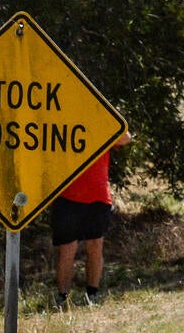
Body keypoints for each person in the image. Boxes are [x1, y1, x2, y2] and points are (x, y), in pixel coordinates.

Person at [53, 131, 132, 308]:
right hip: (67, 195)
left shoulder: (100, 120)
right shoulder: (67, 119)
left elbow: (126, 138)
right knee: (67, 248)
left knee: (95, 246)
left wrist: (106, 122)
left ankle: (92, 295)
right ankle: (62, 298)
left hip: (98, 196)